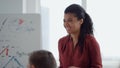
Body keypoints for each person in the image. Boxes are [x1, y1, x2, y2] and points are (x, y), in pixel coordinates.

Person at [58, 4, 102, 68]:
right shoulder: (62, 42)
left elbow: (97, 67)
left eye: (70, 20)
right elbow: (62, 66)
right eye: (64, 20)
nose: (66, 24)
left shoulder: (91, 42)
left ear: (81, 21)